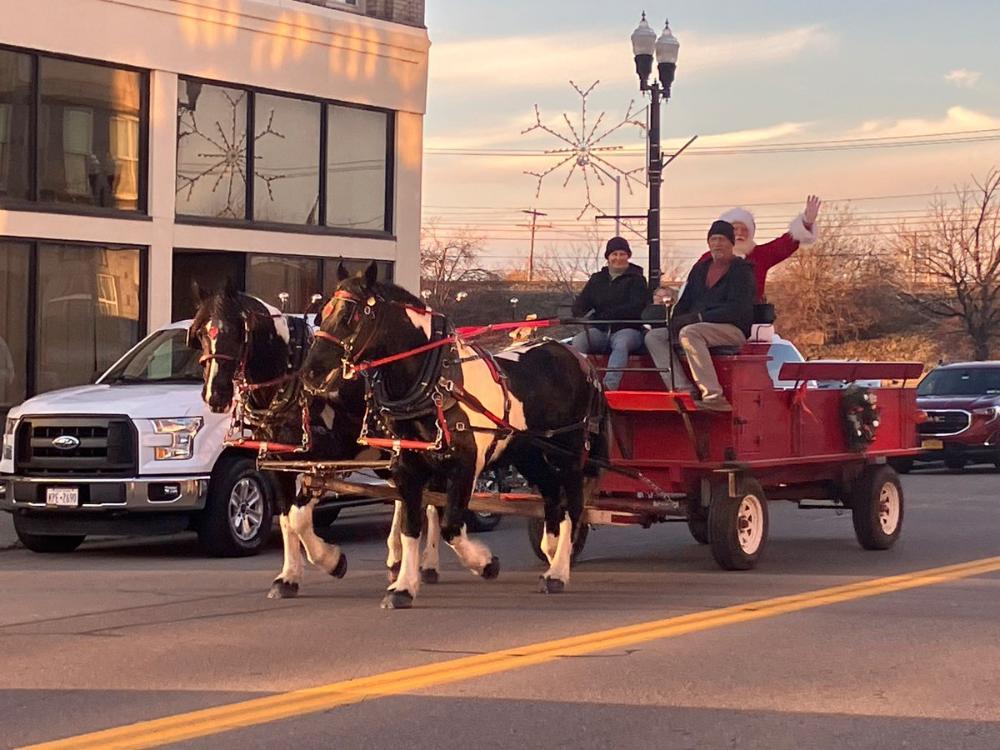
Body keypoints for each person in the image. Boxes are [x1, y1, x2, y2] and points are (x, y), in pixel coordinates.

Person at [644, 220, 756, 411]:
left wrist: (699, 318)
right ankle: (682, 389)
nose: (717, 244)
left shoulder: (742, 271)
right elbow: (685, 302)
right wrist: (673, 322)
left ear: (731, 243)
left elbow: (737, 309)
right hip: (697, 327)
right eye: (713, 239)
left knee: (690, 333)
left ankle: (713, 396)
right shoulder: (700, 270)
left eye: (721, 239)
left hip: (732, 329)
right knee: (654, 337)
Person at [696, 195, 821, 303]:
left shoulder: (759, 255)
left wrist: (806, 223)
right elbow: (693, 288)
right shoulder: (708, 258)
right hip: (711, 316)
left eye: (744, 229)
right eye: (735, 229)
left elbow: (785, 244)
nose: (739, 233)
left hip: (750, 317)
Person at [571, 236, 650, 391]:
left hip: (628, 329)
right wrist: (578, 311)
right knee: (579, 342)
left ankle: (609, 386)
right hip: (601, 329)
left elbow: (637, 306)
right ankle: (581, 383)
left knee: (621, 344)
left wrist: (609, 314)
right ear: (608, 257)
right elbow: (584, 301)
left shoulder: (638, 279)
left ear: (628, 256)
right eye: (614, 254)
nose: (618, 258)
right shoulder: (597, 279)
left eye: (622, 254)